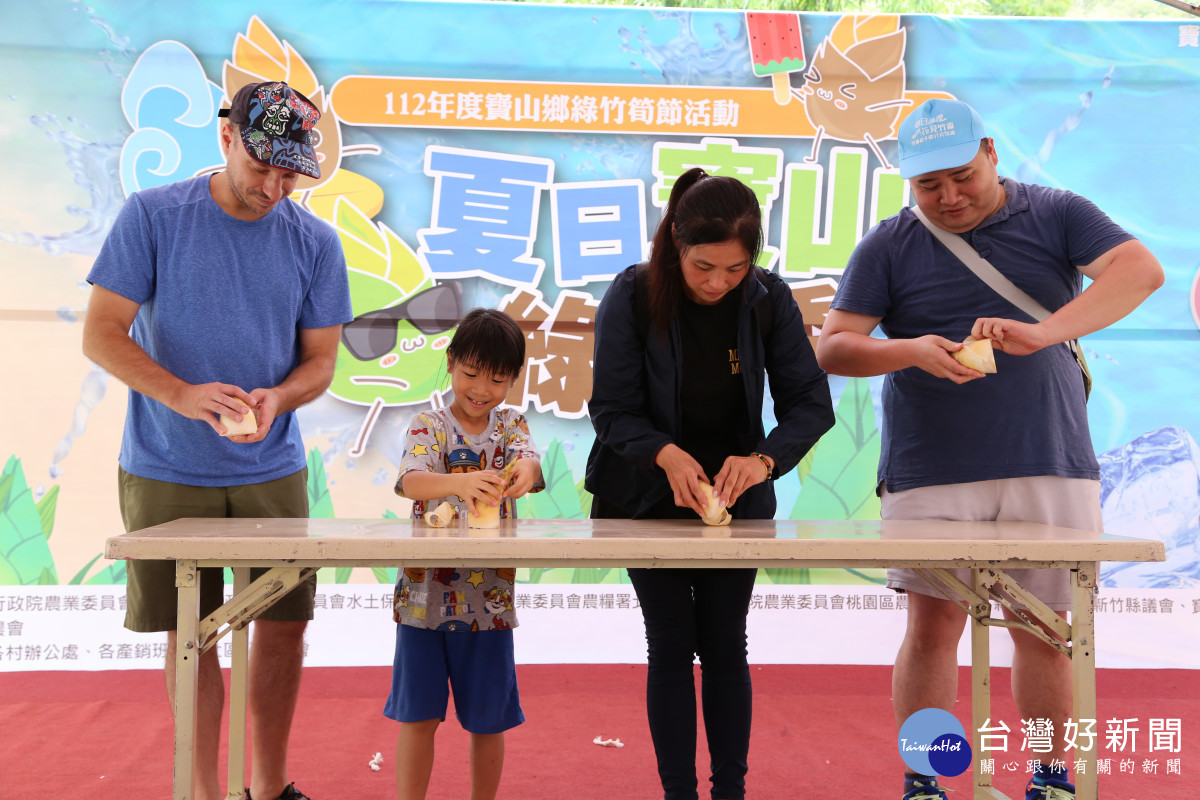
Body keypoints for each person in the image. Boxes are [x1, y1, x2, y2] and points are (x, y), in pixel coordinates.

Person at [816, 98, 1164, 800]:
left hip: (1050, 455)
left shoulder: (1059, 212)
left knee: (1044, 627)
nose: (947, 197)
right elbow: (834, 346)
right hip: (931, 469)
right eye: (927, 186)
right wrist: (910, 350)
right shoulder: (887, 244)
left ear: (992, 153)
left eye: (961, 177)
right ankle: (929, 778)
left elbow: (1140, 272)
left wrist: (1045, 331)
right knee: (932, 625)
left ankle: (1051, 776)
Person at [82, 80, 352, 800]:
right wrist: (182, 395)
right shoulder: (153, 217)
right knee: (189, 631)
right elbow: (101, 333)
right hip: (166, 463)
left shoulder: (316, 243)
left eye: (289, 175)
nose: (273, 188)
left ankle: (268, 787)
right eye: (262, 168)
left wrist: (280, 396)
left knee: (285, 623)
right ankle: (203, 790)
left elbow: (320, 362)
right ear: (226, 139)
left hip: (272, 463)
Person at [585, 168, 835, 800]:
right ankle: (679, 794)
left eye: (734, 269)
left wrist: (763, 460)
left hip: (736, 500)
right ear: (675, 243)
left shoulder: (769, 298)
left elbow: (811, 404)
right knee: (670, 645)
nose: (718, 283)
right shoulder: (633, 295)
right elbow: (612, 410)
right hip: (642, 497)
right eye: (703, 267)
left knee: (725, 643)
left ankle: (731, 792)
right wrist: (665, 454)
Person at [387, 307, 544, 800]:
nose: (481, 389)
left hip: (491, 604)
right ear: (451, 363)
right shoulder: (427, 425)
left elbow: (533, 468)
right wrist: (461, 482)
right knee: (417, 717)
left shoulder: (512, 427)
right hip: (422, 599)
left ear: (514, 380)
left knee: (488, 720)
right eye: (471, 373)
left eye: (497, 379)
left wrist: (526, 473)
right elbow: (410, 482)